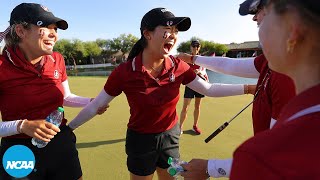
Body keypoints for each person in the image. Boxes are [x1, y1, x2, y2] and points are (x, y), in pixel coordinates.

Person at [67, 7, 255, 180]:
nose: (173, 35)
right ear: (147, 34)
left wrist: (247, 89)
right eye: (168, 29)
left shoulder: (179, 66)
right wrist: (69, 129)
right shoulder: (124, 72)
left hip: (170, 138)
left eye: (176, 31)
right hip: (140, 140)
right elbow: (96, 104)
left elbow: (208, 89)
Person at [179, 0, 296, 178]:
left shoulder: (286, 74)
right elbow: (228, 65)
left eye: (259, 10)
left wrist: (209, 168)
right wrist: (193, 59)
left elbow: (276, 154)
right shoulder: (271, 60)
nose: (254, 17)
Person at [0, 3, 106, 180]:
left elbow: (65, 97)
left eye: (55, 29)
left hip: (60, 143)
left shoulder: (57, 59)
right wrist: (22, 125)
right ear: (20, 31)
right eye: (45, 26)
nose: (53, 34)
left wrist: (91, 102)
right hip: (19, 150)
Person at [179, 40, 209, 135]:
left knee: (197, 106)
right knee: (185, 107)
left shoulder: (201, 60)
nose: (195, 48)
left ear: (199, 48)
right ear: (190, 47)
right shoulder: (186, 59)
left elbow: (204, 73)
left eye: (197, 46)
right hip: (190, 85)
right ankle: (180, 127)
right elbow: (182, 71)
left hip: (200, 84)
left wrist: (200, 73)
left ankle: (195, 126)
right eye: (193, 46)